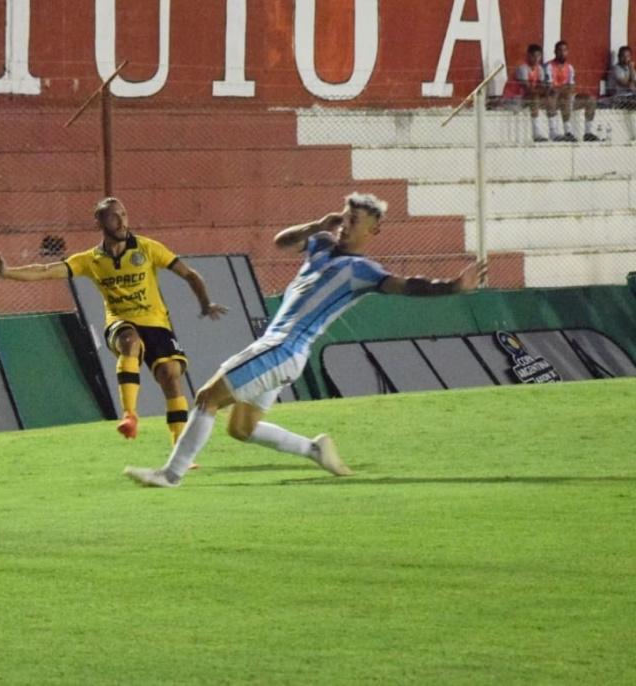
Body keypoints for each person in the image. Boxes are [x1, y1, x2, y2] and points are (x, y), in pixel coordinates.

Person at [124, 192, 487, 488]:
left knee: (206, 397)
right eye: (345, 218)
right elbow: (282, 241)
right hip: (282, 350)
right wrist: (317, 224)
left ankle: (170, 475)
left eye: (355, 222)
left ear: (374, 231)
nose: (346, 227)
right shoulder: (322, 245)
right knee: (241, 428)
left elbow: (409, 286)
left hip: (283, 348)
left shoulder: (364, 271)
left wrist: (453, 287)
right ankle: (314, 449)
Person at [0, 197, 227, 447]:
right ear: (99, 222)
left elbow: (189, 274)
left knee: (170, 377)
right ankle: (130, 416)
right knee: (129, 341)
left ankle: (181, 452)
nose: (122, 221)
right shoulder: (90, 260)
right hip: (120, 323)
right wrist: (7, 272)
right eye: (114, 216)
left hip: (156, 323)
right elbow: (45, 271)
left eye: (124, 214)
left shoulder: (148, 248)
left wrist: (206, 303)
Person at [544, 40, 600, 142]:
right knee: (559, 95)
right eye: (559, 50)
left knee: (590, 100)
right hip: (553, 99)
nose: (562, 53)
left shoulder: (570, 68)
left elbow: (571, 87)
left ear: (568, 52)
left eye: (564, 50)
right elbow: (550, 87)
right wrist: (564, 88)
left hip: (566, 97)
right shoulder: (549, 66)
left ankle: (588, 133)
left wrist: (563, 89)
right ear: (555, 52)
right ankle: (558, 132)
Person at [500, 43, 551, 142]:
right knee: (534, 98)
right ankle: (536, 133)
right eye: (533, 56)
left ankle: (554, 131)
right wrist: (543, 90)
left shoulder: (539, 69)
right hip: (511, 99)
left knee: (551, 98)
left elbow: (542, 88)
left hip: (524, 99)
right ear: (528, 56)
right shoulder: (522, 68)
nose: (536, 59)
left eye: (538, 56)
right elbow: (529, 89)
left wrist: (545, 91)